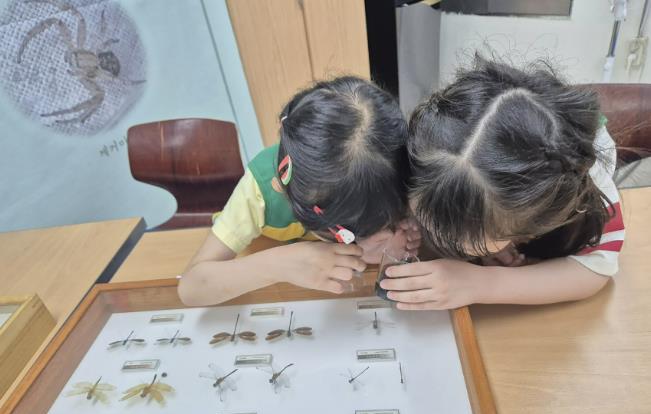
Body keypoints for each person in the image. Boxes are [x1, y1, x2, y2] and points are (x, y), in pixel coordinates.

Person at [380, 58, 624, 310]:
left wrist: (481, 284)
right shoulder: (435, 141)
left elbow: (597, 267)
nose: (437, 236)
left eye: (466, 239)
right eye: (427, 219)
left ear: (532, 224)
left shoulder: (582, 185)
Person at [178, 76, 419, 306]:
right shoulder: (260, 189)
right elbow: (191, 288)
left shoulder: (398, 172)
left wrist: (374, 246)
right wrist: (278, 265)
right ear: (284, 192)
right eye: (347, 235)